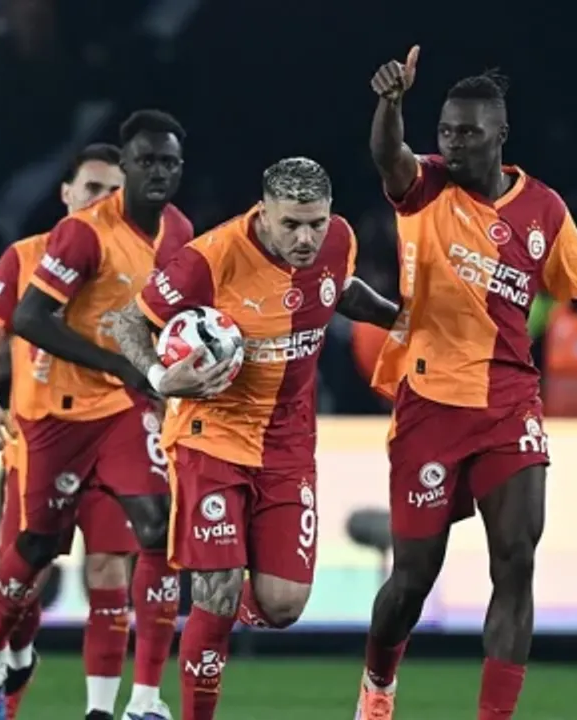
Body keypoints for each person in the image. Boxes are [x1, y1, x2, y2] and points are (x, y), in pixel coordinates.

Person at [356, 47, 577, 720]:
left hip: (510, 405)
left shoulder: (543, 209)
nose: (453, 142)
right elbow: (386, 154)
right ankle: (378, 686)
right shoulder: (424, 185)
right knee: (412, 580)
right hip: (430, 406)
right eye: (446, 130)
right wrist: (390, 104)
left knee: (515, 561)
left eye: (468, 131)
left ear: (501, 133)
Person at [113, 157, 400, 720]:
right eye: (291, 224)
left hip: (288, 446)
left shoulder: (339, 241)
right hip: (211, 435)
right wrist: (161, 378)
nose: (306, 238)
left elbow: (338, 290)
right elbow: (127, 321)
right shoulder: (209, 259)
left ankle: (217, 602)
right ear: (263, 214)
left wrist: (401, 318)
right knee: (217, 593)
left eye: (316, 223)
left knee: (284, 604)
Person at [0, 110, 195, 720]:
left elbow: (170, 309)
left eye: (168, 162)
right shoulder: (59, 244)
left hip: (121, 411)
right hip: (49, 424)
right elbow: (15, 326)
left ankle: (136, 702)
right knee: (37, 553)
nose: (155, 173)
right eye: (92, 185)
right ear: (67, 191)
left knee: (149, 534)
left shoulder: (177, 232)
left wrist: (178, 363)